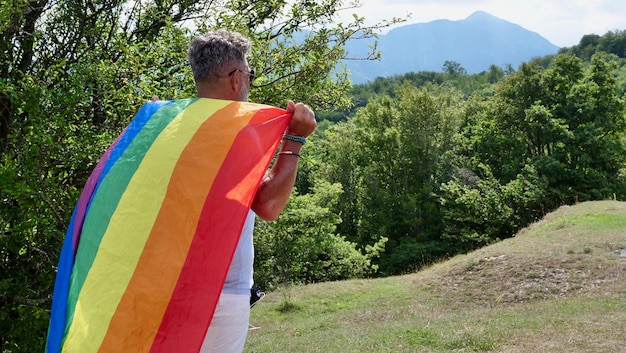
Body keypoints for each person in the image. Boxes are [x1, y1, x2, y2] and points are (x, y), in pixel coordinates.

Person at [187, 29, 316, 352]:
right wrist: (295, 138)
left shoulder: (172, 128)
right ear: (235, 78)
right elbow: (268, 204)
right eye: (249, 74)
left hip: (169, 287)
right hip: (223, 293)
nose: (248, 83)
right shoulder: (234, 132)